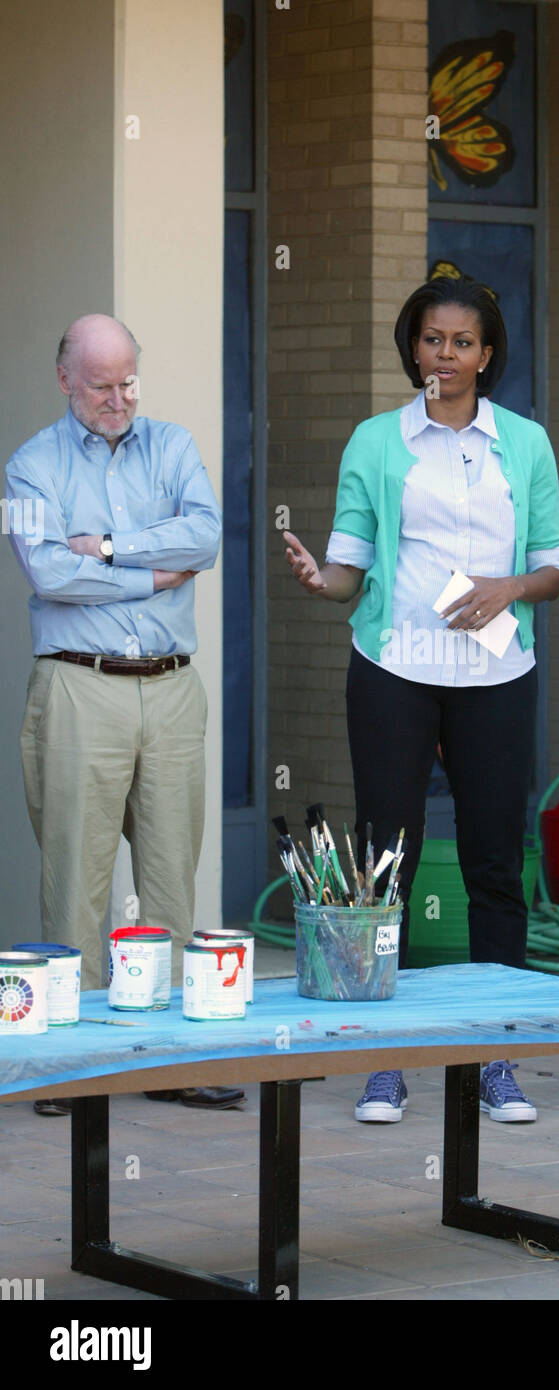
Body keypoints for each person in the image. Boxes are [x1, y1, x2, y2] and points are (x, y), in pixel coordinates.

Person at [284, 275, 559, 1123]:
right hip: (394, 668)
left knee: (492, 863)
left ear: (486, 355)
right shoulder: (374, 441)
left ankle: (495, 1056)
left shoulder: (525, 443)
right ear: (413, 346)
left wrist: (506, 584)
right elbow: (348, 571)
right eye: (431, 339)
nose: (445, 355)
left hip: (493, 674)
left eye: (462, 343)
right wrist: (317, 580)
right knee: (385, 861)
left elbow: (553, 568)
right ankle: (386, 1060)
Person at [6, 314, 243, 1114]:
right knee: (77, 875)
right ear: (66, 379)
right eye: (102, 384)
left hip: (173, 686)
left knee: (173, 874)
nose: (118, 399)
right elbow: (46, 575)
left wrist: (104, 547)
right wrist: (149, 574)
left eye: (128, 381)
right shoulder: (29, 467)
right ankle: (78, 1061)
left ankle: (170, 1055)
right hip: (80, 686)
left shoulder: (172, 445)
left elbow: (206, 538)